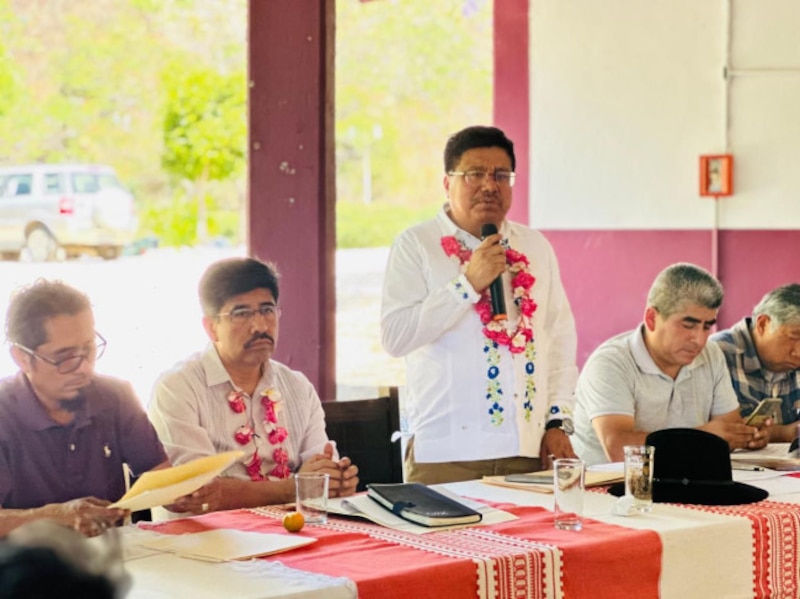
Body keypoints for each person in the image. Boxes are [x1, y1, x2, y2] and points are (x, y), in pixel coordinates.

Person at [381, 125, 579, 484]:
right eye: (474, 174)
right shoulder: (417, 244)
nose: (489, 185)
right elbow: (396, 337)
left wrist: (556, 421)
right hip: (448, 454)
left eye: (501, 175)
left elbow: (559, 342)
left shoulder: (535, 246)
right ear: (447, 182)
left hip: (527, 451)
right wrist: (467, 284)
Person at [148, 257, 359, 514]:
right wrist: (296, 488)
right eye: (242, 313)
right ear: (212, 327)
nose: (260, 325)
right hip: (204, 542)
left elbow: (320, 471)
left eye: (267, 310)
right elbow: (200, 494)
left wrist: (335, 479)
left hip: (291, 531)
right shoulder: (177, 388)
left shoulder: (298, 387)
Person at [0, 280, 169, 537]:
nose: (83, 367)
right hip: (21, 567)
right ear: (21, 357)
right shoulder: (5, 413)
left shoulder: (115, 396)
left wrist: (183, 491)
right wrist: (54, 517)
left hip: (112, 558)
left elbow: (157, 473)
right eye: (65, 357)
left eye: (89, 348)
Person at [572, 263, 767, 466]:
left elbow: (728, 428)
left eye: (707, 326)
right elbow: (619, 450)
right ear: (652, 318)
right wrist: (700, 438)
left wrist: (748, 435)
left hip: (684, 480)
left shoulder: (711, 354)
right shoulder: (611, 363)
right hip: (608, 490)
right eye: (688, 325)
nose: (699, 339)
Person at [712, 284, 800, 443]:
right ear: (763, 324)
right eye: (794, 337)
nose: (799, 352)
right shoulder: (715, 355)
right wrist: (782, 433)